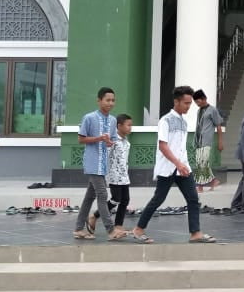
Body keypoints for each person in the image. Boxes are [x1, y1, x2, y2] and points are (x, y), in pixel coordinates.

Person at [132, 86, 216, 244]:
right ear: (176, 101)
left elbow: (180, 147)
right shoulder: (165, 120)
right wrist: (177, 163)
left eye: (190, 103)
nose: (188, 106)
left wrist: (183, 165)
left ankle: (195, 233)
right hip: (168, 168)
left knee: (193, 199)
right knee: (158, 199)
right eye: (186, 103)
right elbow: (163, 146)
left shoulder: (184, 121)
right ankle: (138, 229)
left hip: (183, 168)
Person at [73, 87, 124, 241]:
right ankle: (110, 230)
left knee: (90, 197)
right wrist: (98, 138)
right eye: (107, 100)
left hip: (104, 164)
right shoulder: (89, 118)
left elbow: (113, 140)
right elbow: (81, 139)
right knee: (102, 194)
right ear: (99, 100)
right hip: (92, 162)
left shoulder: (113, 120)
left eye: (113, 100)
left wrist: (109, 142)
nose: (110, 103)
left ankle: (78, 229)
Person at [91, 113, 133, 236]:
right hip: (114, 175)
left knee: (125, 200)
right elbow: (105, 155)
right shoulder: (112, 140)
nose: (130, 128)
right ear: (119, 126)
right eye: (128, 125)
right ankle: (94, 216)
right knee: (116, 199)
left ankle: (119, 226)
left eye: (131, 125)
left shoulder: (125, 141)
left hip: (124, 175)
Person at [191, 90, 224, 192]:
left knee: (202, 162)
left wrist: (220, 142)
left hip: (206, 140)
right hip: (197, 141)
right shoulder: (199, 111)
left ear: (204, 99)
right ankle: (214, 181)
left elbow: (218, 126)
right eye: (195, 102)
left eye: (198, 101)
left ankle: (200, 187)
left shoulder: (212, 110)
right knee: (199, 163)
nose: (197, 104)